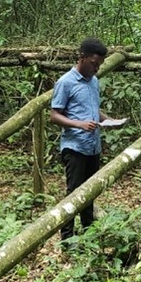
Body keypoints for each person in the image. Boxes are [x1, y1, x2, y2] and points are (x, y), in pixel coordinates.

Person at [49, 37, 123, 245]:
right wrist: (79, 124)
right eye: (94, 64)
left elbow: (93, 109)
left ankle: (89, 235)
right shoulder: (66, 82)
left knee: (90, 193)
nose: (96, 69)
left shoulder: (94, 81)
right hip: (75, 147)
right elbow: (55, 115)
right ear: (82, 58)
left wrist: (109, 120)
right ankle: (67, 240)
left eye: (99, 65)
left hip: (93, 147)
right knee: (74, 194)